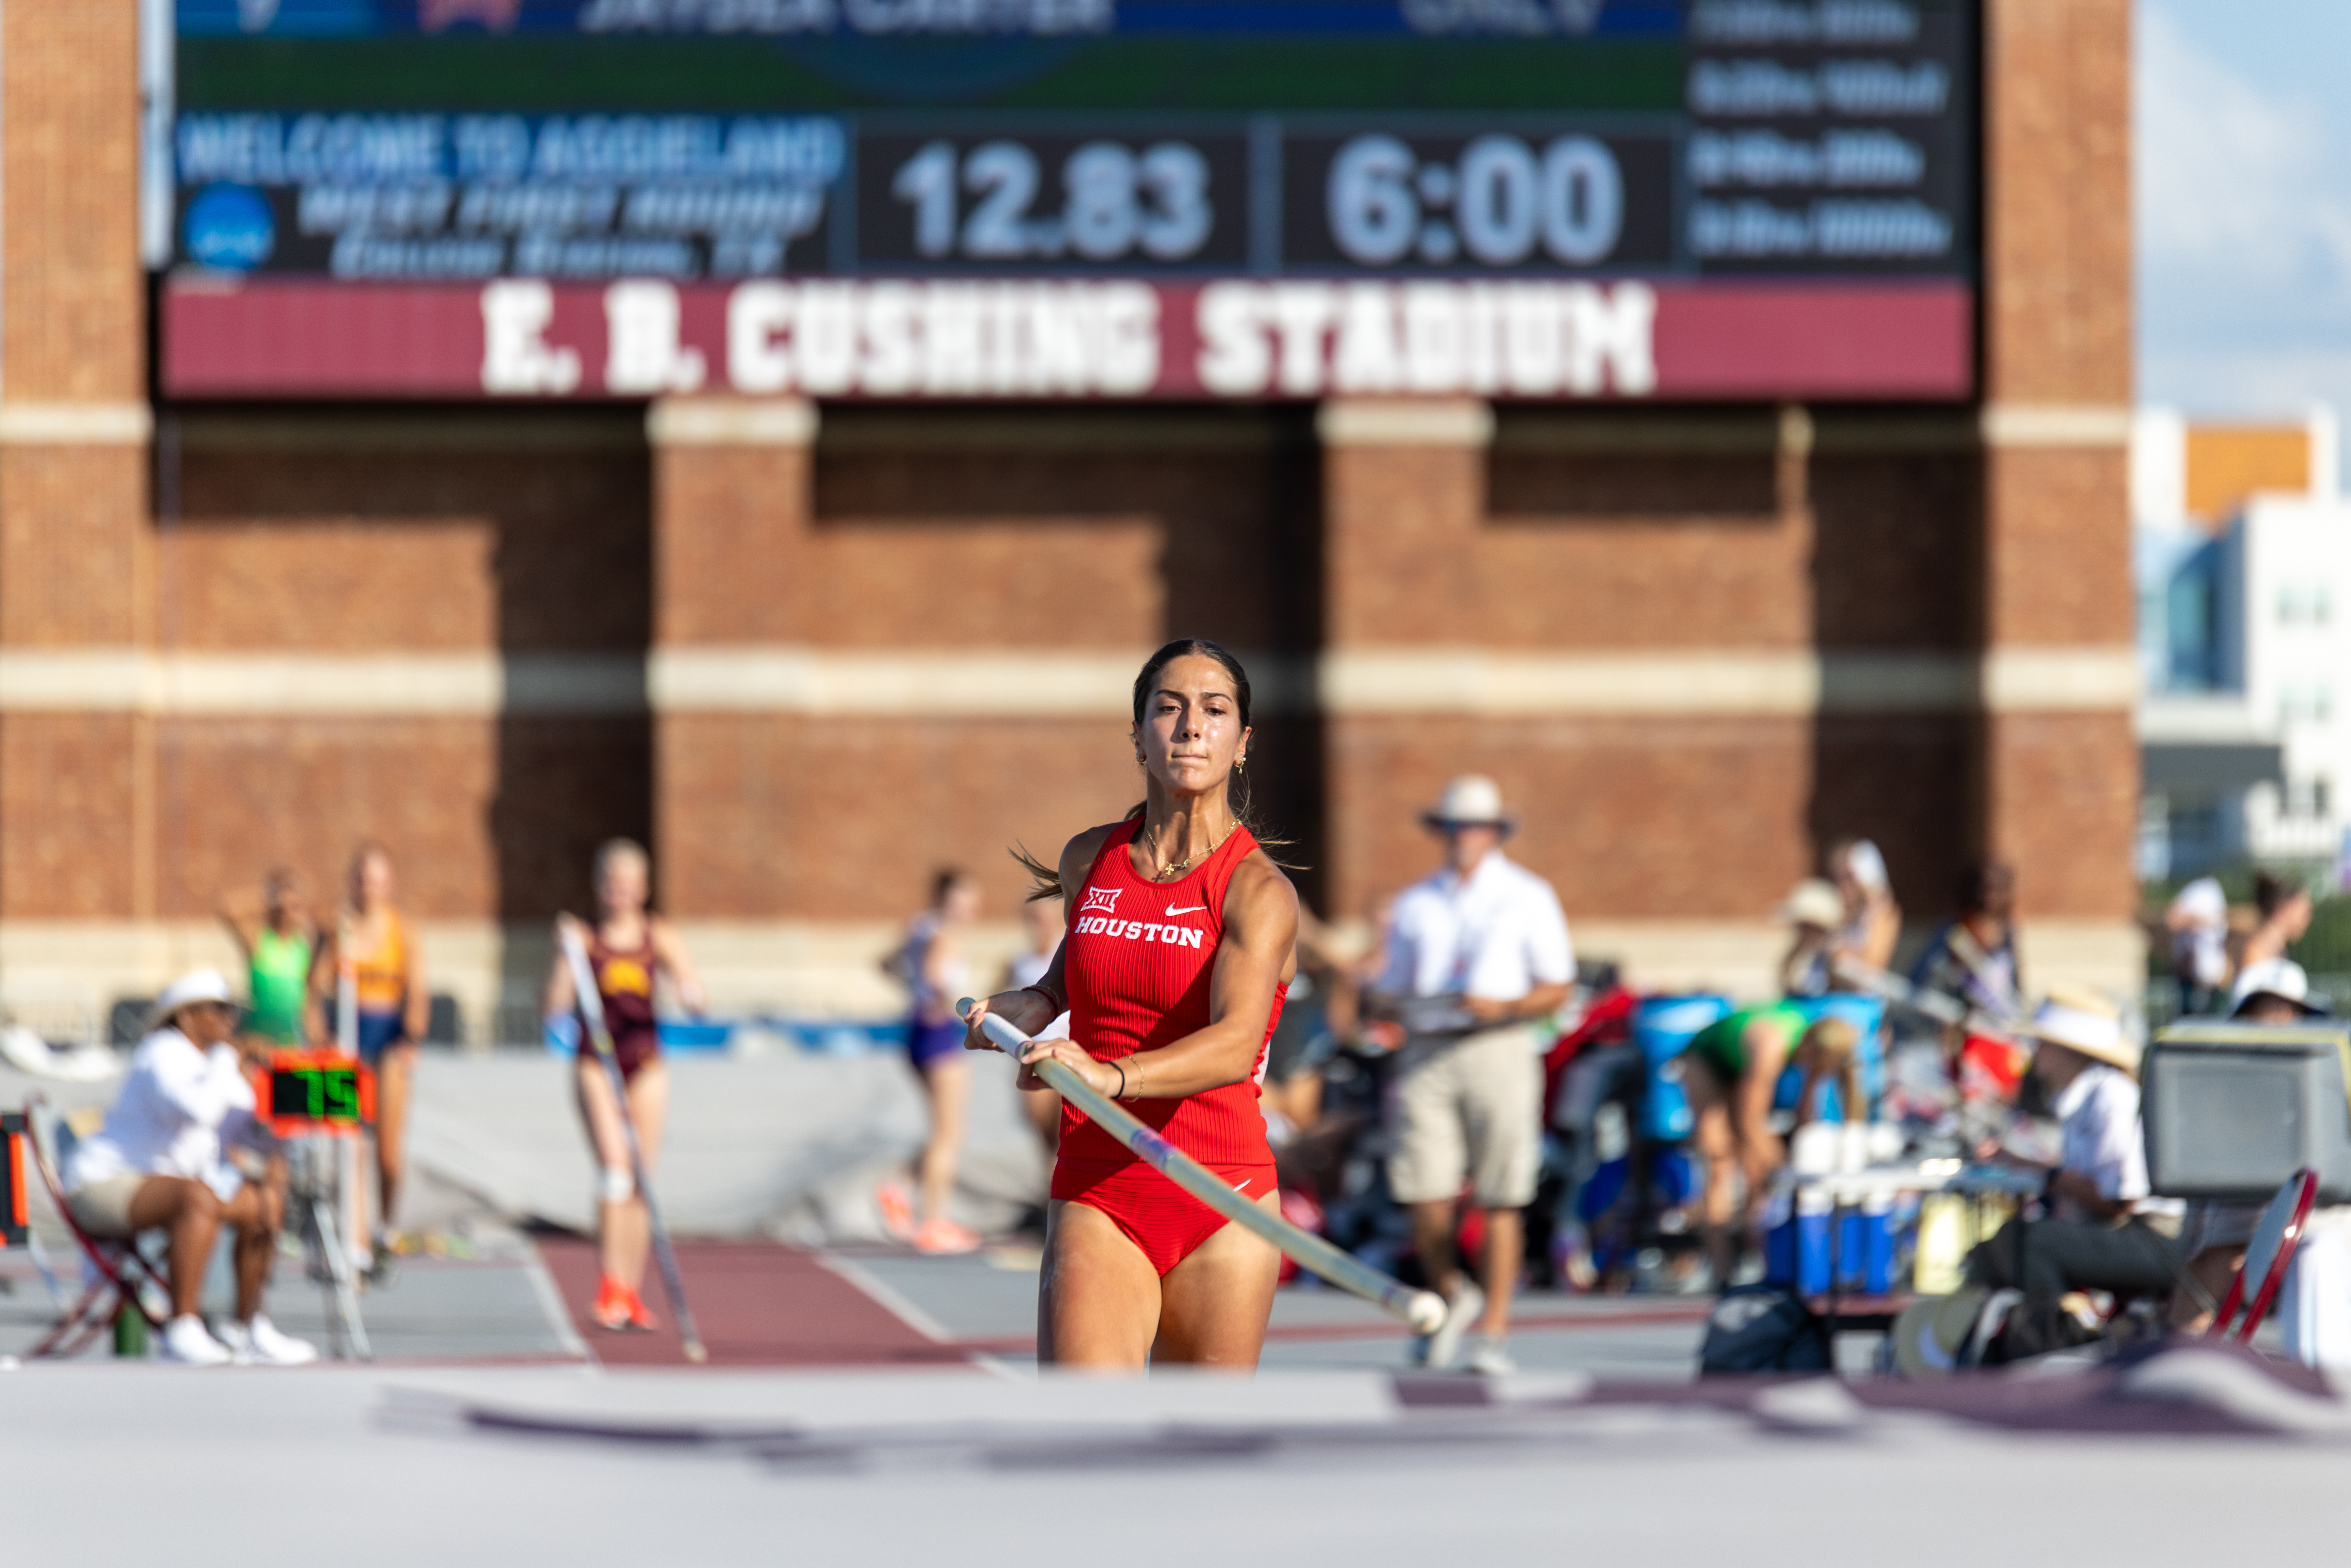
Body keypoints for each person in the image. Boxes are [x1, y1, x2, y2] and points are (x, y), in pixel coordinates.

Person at [963, 638, 1298, 1370]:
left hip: (1223, 1196)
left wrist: (1111, 1077)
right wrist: (1030, 1004)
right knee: (1085, 1433)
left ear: (1241, 743)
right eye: (1168, 708)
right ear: (1138, 733)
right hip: (1101, 1184)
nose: (1189, 727)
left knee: (1199, 1461)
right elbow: (1073, 973)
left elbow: (1237, 1042)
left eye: (1214, 711)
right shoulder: (1090, 860)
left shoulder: (1257, 891)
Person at [1367, 774, 1572, 1375]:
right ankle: (1455, 1293)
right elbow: (1394, 988)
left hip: (1499, 1044)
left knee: (1502, 1192)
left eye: (1475, 826)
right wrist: (1382, 997)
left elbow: (1557, 986)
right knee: (1422, 1189)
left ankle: (1495, 1332)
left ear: (1495, 831)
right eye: (1456, 826)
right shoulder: (1416, 901)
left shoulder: (1529, 895)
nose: (1466, 837)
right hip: (1428, 1046)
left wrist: (1504, 1007)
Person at [63, 970, 317, 1365]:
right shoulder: (160, 1052)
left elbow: (250, 1134)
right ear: (185, 1017)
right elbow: (199, 1110)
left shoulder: (219, 1067)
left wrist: (292, 1109)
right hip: (102, 1185)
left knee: (264, 1202)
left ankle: (248, 1327)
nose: (231, 1020)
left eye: (232, 1011)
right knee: (196, 1197)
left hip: (169, 1189)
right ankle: (182, 1328)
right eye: (220, 1010)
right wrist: (228, 1058)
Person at [1960, 989, 2185, 1350]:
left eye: (2044, 1043)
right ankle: (2016, 1342)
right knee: (2001, 1245)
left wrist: (2045, 1176)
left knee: (2030, 1243)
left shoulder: (2110, 1096)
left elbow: (2117, 1200)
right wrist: (2026, 1165)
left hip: (2155, 1237)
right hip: (2136, 1231)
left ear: (2071, 1050)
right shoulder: (2086, 1095)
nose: (2035, 1050)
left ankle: (2052, 1343)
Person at [543, 837, 707, 1332]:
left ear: (644, 888)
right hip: (598, 1061)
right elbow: (552, 1006)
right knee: (615, 1169)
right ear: (599, 887)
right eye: (612, 884)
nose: (620, 894)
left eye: (629, 885)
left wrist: (691, 992)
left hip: (645, 1062)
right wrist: (563, 957)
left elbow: (694, 989)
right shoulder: (584, 937)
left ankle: (630, 1288)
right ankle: (609, 1281)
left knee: (640, 1177)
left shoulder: (661, 934)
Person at [2170, 957, 2331, 1328]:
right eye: (2269, 1011)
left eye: (2290, 1012)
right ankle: (2186, 1362)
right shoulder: (2214, 1092)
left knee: (2319, 1254)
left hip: (2312, 1224)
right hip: (2236, 1235)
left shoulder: (2323, 1078)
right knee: (2215, 1262)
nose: (2281, 1022)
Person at [307, 841, 428, 1276]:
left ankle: (385, 1230)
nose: (370, 888)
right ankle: (355, 1247)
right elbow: (314, 991)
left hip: (388, 1040)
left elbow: (417, 992)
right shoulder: (338, 928)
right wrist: (323, 1041)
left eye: (378, 880)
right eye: (363, 879)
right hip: (347, 1042)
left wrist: (411, 1038)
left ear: (389, 883)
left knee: (388, 1154)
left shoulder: (403, 930)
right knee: (350, 1148)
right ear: (352, 881)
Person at [880, 869, 987, 1254]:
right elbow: (933, 976)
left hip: (917, 1029)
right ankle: (932, 1221)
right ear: (948, 900)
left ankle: (902, 1185)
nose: (973, 909)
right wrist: (947, 1005)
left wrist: (916, 993)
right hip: (937, 1031)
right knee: (949, 1133)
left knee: (942, 1129)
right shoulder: (942, 933)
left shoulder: (919, 928)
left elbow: (886, 964)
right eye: (966, 900)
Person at [1682, 991, 1809, 1283]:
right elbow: (1749, 1122)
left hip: (1740, 1061)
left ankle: (1763, 1263)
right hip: (1706, 1060)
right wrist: (1787, 1170)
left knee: (1755, 1165)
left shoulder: (1810, 1044)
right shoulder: (1771, 1045)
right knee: (1719, 1162)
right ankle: (1721, 1271)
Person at [1909, 859, 2023, 1025]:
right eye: (1986, 888)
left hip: (1996, 1029)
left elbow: (2014, 986)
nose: (1991, 896)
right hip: (1952, 1026)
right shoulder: (1953, 931)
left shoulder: (2007, 932)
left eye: (2000, 889)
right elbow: (1919, 980)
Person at [216, 870, 317, 1050]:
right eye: (283, 908)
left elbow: (309, 999)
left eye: (295, 907)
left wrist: (317, 1035)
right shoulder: (259, 940)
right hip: (257, 1043)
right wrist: (267, 896)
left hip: (292, 1044)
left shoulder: (304, 946)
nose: (289, 914)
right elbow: (226, 908)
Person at [1004, 894, 1070, 1157]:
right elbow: (1000, 996)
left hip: (1064, 1048)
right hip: (1033, 1051)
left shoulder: (1064, 955)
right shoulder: (1020, 962)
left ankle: (1053, 1184)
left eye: (1043, 920)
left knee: (1061, 1125)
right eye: (1033, 920)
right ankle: (1048, 1186)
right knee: (1040, 1126)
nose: (1038, 927)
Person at [1828, 838, 1902, 974]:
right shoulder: (1844, 912)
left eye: (1849, 877)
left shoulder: (1883, 915)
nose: (1843, 885)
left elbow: (1873, 967)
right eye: (1839, 877)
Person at [2163, 875, 2232, 1018]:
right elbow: (2172, 921)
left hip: (2213, 982)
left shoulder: (2209, 895)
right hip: (2191, 980)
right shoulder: (2199, 895)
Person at [1776, 877, 1848, 996]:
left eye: (1808, 926)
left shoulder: (1834, 952)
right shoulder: (1799, 952)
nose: (1804, 931)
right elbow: (1787, 983)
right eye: (1802, 926)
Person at [2237, 870, 2313, 974]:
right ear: (2285, 907)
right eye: (2305, 913)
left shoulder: (2276, 949)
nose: (2308, 920)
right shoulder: (2259, 951)